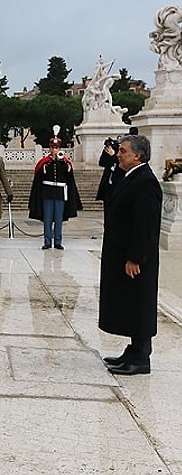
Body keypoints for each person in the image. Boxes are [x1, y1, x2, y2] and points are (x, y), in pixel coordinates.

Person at [99, 135, 162, 375]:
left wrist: (135, 257)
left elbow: (145, 225)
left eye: (123, 151)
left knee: (139, 304)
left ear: (137, 155)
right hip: (122, 252)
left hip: (136, 259)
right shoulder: (130, 176)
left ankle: (141, 357)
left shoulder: (145, 182)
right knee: (130, 303)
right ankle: (134, 349)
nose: (118, 154)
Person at [27, 136, 82, 250]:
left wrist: (62, 163)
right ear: (49, 149)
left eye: (56, 148)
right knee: (47, 219)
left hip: (60, 194)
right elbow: (39, 178)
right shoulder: (44, 163)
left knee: (58, 219)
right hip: (47, 193)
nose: (54, 150)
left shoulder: (65, 163)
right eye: (52, 147)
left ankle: (58, 241)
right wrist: (49, 164)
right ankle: (47, 241)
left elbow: (69, 177)